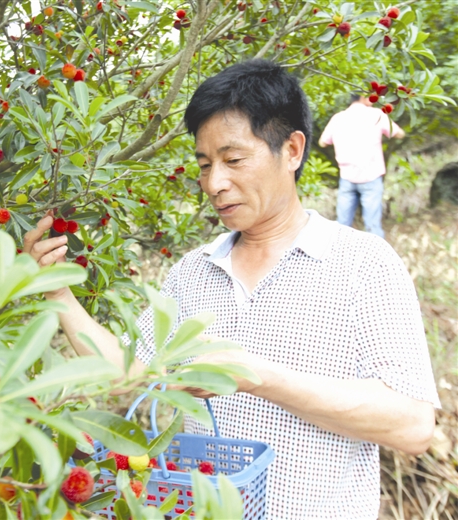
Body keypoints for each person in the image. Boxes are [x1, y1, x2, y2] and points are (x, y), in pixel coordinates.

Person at [23, 60, 439, 519]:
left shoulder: (364, 264)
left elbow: (413, 426)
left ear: (293, 149)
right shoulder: (194, 272)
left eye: (234, 160)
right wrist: (58, 292)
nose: (215, 184)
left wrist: (254, 375)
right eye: (204, 165)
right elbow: (131, 375)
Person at [319, 94, 406, 238]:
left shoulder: (338, 118)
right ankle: (377, 258)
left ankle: (339, 257)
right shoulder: (376, 115)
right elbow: (400, 134)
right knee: (372, 226)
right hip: (371, 177)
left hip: (347, 177)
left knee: (342, 226)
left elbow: (323, 142)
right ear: (364, 97)